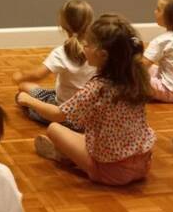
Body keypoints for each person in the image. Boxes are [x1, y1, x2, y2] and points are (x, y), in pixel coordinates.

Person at [35, 13, 156, 186]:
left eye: (88, 44)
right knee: (88, 136)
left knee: (54, 129)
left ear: (103, 54)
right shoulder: (137, 77)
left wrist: (27, 100)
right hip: (143, 164)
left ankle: (66, 157)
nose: (84, 45)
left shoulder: (97, 88)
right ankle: (71, 155)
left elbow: (57, 114)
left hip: (111, 171)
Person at [14, 0, 95, 124]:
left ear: (63, 24)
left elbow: (37, 75)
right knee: (26, 87)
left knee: (21, 91)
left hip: (61, 109)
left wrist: (20, 76)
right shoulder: (97, 51)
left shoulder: (62, 52)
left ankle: (35, 107)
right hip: (89, 111)